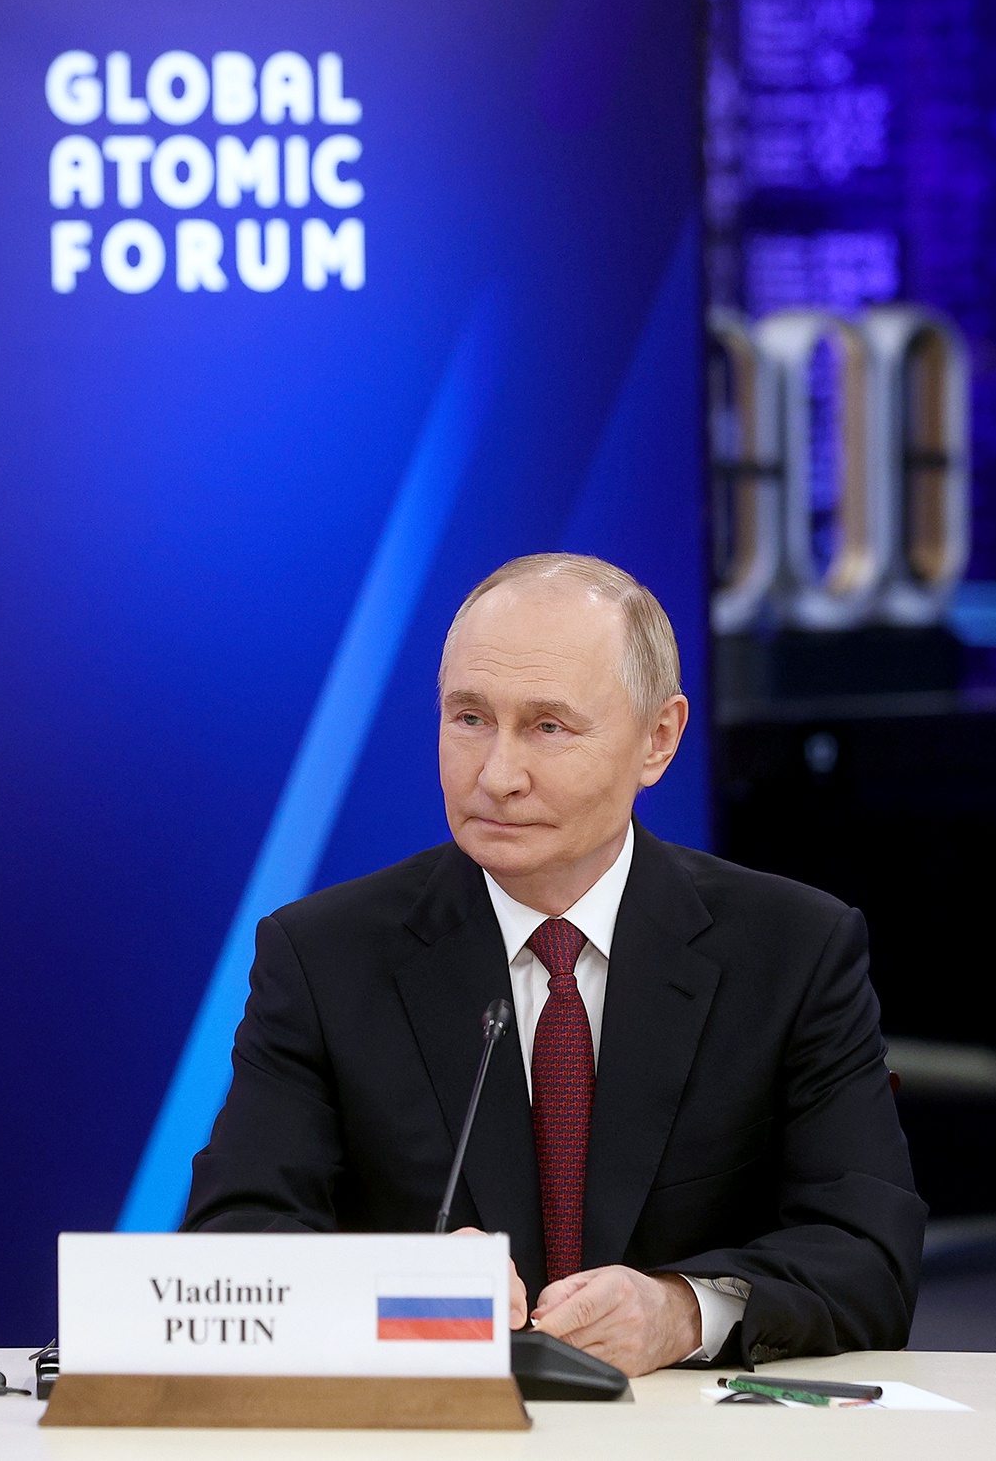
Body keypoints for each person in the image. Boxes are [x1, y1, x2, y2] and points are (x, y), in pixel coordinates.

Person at [184, 553, 924, 1375]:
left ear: (659, 739)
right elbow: (230, 1246)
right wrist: (396, 1289)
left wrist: (683, 1309)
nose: (497, 775)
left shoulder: (794, 950)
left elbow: (868, 1254)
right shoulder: (324, 957)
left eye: (548, 727)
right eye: (469, 717)